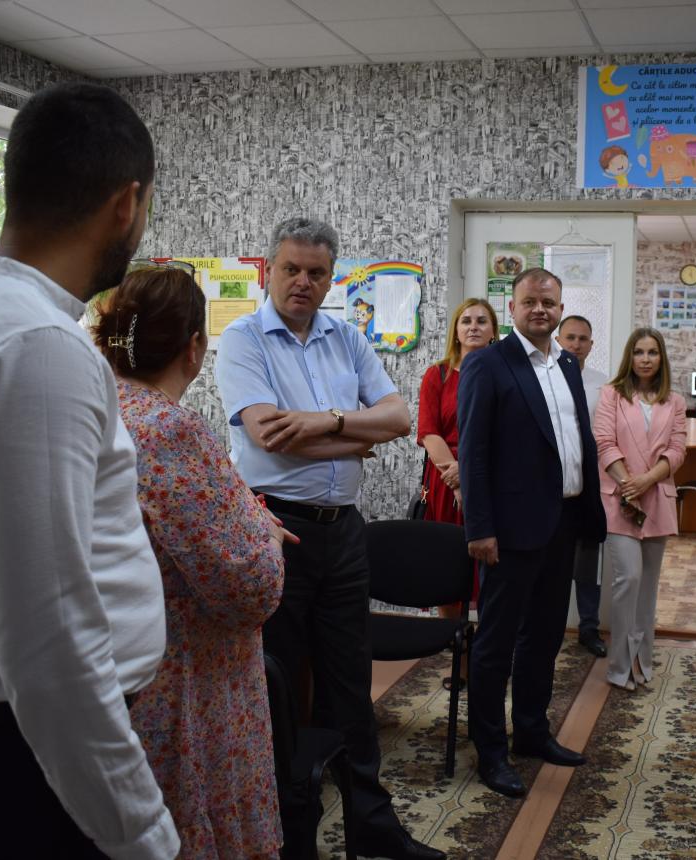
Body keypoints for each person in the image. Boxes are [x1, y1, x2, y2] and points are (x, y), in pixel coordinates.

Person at [0, 82, 179, 857]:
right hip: (20, 760)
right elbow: (47, 634)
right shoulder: (35, 347)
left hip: (9, 742)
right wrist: (143, 833)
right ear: (126, 204)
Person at [215, 217, 442, 860]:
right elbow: (268, 438)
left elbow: (398, 418)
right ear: (269, 271)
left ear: (330, 278)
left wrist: (326, 423)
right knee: (282, 687)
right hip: (278, 532)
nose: (303, 282)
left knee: (350, 683)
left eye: (316, 273)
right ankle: (292, 833)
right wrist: (357, 437)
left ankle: (372, 823)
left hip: (344, 533)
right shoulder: (242, 340)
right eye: (291, 269)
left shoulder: (347, 337)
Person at [92, 265, 289, 858]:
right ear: (195, 346)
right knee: (192, 823)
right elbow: (248, 588)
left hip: (111, 662)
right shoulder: (169, 430)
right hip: (187, 676)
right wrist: (267, 537)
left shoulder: (98, 411)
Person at [458, 267, 606, 798]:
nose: (540, 309)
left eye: (549, 302)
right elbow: (473, 452)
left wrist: (589, 512)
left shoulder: (567, 363)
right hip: (508, 531)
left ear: (560, 308)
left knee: (544, 638)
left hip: (562, 523)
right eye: (530, 302)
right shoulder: (487, 364)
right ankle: (491, 752)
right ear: (513, 307)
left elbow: (577, 440)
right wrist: (480, 528)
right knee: (496, 645)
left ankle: (531, 732)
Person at [593, 328, 687, 690]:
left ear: (662, 358)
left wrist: (646, 480)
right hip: (619, 498)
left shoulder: (674, 401)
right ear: (629, 357)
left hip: (657, 498)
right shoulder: (611, 395)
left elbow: (677, 450)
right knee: (628, 579)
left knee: (647, 587)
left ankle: (641, 661)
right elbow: (604, 442)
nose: (645, 359)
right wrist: (628, 483)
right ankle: (620, 666)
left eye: (652, 352)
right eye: (639, 352)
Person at [417, 297, 497, 658]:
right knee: (447, 568)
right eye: (466, 321)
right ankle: (458, 653)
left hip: (489, 478)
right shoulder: (438, 374)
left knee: (491, 569)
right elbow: (429, 432)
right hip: (444, 482)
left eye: (482, 320)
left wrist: (469, 475)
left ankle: (489, 651)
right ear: (456, 331)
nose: (473, 327)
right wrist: (458, 479)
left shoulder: (504, 374)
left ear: (494, 331)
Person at [556, 314, 608, 658]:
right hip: (552, 483)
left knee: (588, 561)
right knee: (551, 561)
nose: (576, 344)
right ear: (558, 340)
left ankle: (588, 626)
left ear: (591, 344)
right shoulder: (544, 378)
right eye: (570, 337)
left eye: (583, 339)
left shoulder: (603, 385)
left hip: (590, 484)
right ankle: (549, 625)